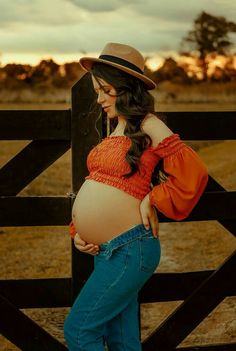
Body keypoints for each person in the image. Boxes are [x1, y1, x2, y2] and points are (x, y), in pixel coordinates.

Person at [64, 42, 208, 351]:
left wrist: (152, 199)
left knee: (79, 330)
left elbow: (193, 173)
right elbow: (100, 183)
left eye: (105, 89)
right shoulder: (115, 129)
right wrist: (79, 231)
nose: (99, 98)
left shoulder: (149, 124)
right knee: (122, 342)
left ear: (125, 87)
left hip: (130, 249)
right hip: (106, 251)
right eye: (97, 90)